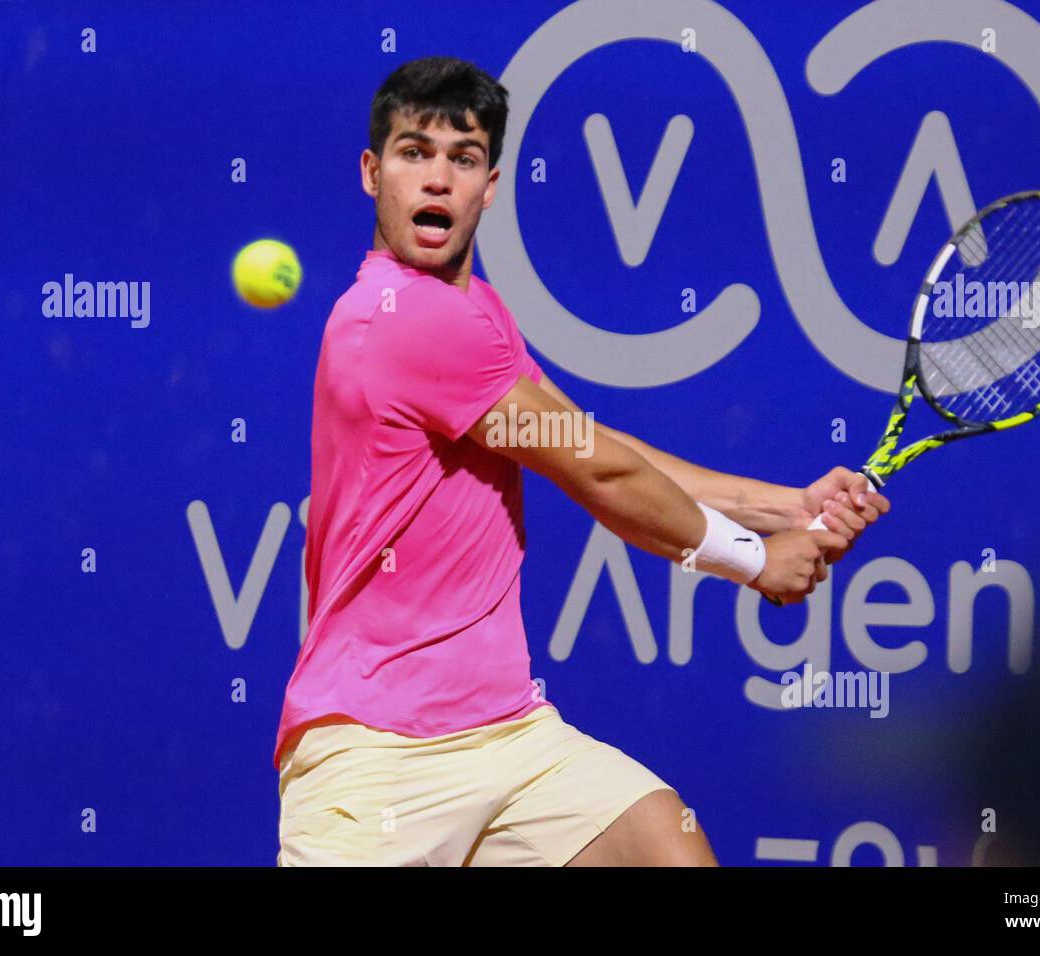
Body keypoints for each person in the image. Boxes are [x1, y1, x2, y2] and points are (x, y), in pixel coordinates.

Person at [275, 56, 889, 867]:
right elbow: (594, 472)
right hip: (376, 758)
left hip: (509, 735)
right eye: (412, 152)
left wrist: (786, 506)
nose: (436, 179)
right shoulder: (400, 321)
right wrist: (754, 561)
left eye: (461, 159)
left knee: (666, 846)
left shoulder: (479, 309)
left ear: (488, 186)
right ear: (371, 172)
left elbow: (588, 438)